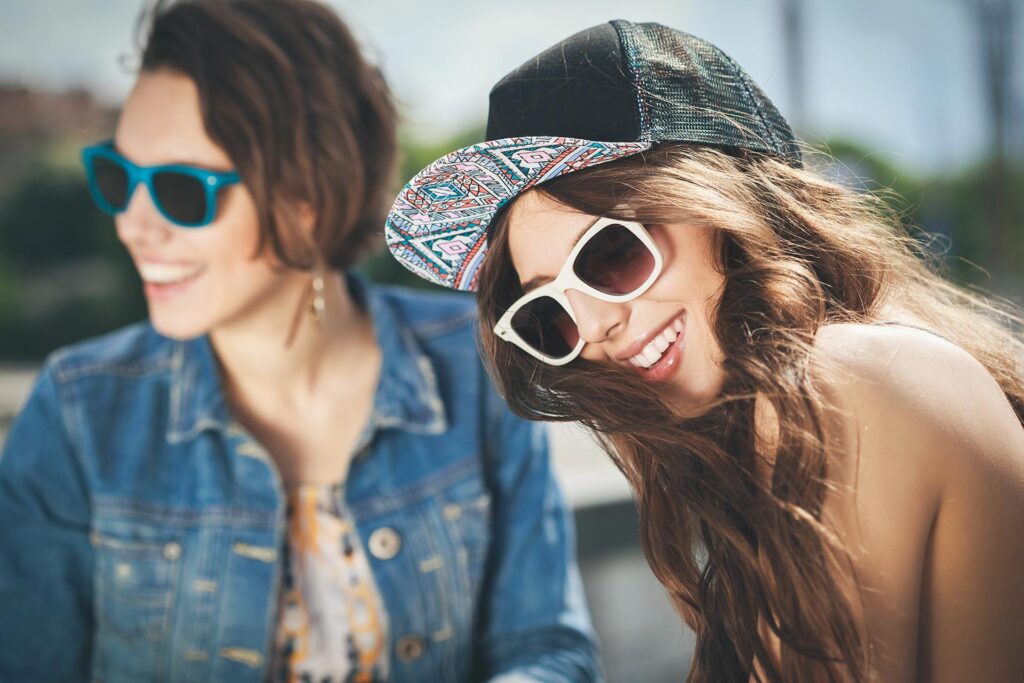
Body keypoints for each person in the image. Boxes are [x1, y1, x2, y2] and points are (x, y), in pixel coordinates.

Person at [385, 20, 1024, 682]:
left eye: (610, 253)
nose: (597, 325)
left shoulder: (846, 380)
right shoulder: (869, 371)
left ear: (714, 201)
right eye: (548, 313)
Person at [0, 2, 602, 681]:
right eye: (119, 177)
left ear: (307, 193)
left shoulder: (482, 367)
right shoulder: (77, 415)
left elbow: (547, 648)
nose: (133, 225)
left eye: (178, 190)